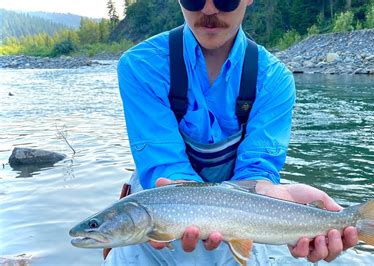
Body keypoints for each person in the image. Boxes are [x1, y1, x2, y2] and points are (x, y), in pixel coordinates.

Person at [105, 0, 358, 265]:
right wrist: (195, 210)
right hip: (158, 222)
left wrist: (273, 197)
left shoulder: (274, 79)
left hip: (240, 221)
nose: (209, 9)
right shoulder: (140, 65)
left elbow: (256, 172)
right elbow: (163, 164)